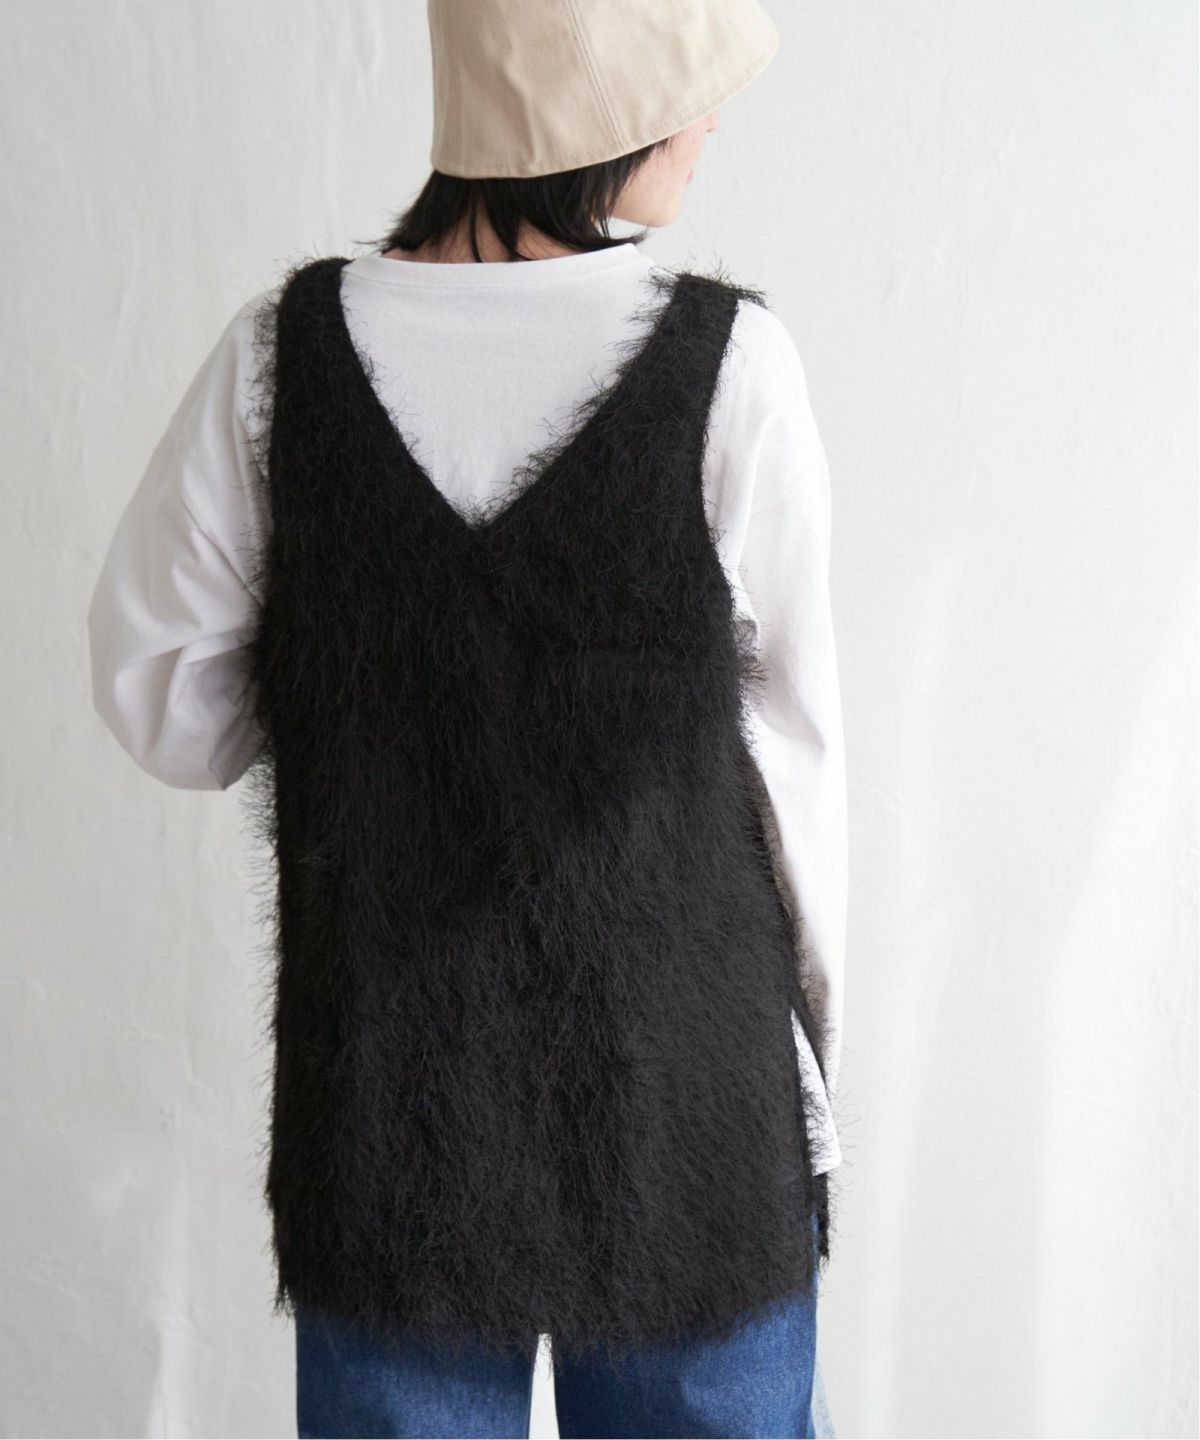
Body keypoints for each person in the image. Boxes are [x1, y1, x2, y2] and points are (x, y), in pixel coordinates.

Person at [86, 1, 848, 1435]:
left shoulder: (280, 361)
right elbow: (794, 772)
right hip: (692, 1111)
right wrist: (813, 1066)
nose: (709, 119)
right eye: (683, 88)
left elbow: (163, 702)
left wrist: (362, 674)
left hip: (389, 1110)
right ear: (597, 117)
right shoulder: (732, 366)